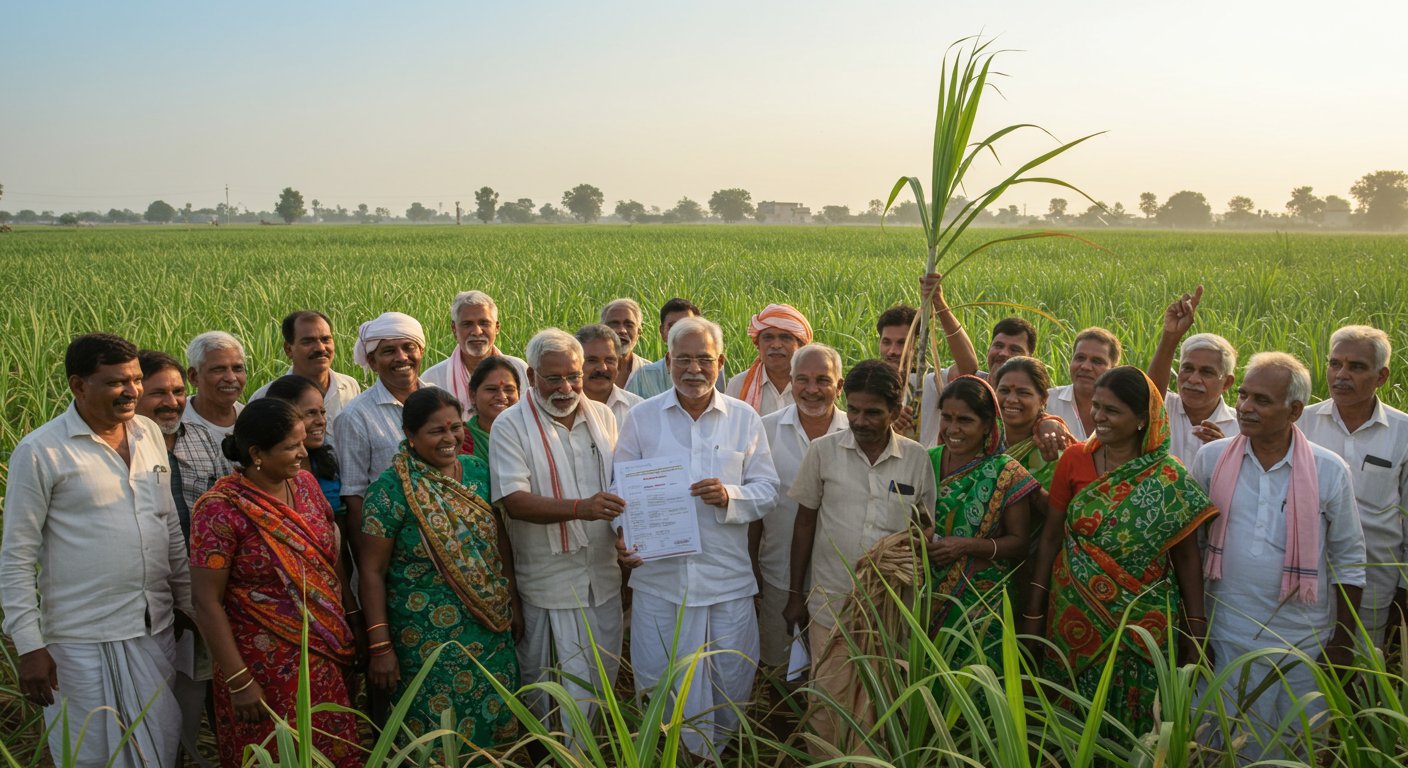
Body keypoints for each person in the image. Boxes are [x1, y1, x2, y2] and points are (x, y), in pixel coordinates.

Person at [1, 332, 192, 768]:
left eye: (136, 380)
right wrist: (29, 645)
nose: (131, 392)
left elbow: (168, 527)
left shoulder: (146, 432)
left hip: (154, 628)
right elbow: (16, 555)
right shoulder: (41, 451)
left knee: (159, 744)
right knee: (90, 752)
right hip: (80, 638)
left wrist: (187, 602)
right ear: (78, 386)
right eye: (115, 382)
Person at [615, 316, 780, 757]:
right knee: (658, 680)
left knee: (729, 679)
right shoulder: (641, 418)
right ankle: (668, 757)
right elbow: (621, 490)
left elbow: (767, 491)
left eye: (704, 359)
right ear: (667, 362)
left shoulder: (744, 420)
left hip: (726, 581)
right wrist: (623, 536)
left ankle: (719, 756)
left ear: (721, 362)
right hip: (660, 582)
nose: (693, 369)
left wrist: (730, 495)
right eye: (683, 359)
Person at [1022, 366, 1215, 737]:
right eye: (1096, 407)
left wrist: (1196, 629)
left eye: (1112, 410)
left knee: (1138, 716)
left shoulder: (1168, 476)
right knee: (1071, 716)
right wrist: (1035, 608)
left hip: (1144, 621)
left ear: (1143, 419)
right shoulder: (1074, 459)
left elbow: (1187, 558)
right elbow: (1050, 538)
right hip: (1072, 614)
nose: (1098, 417)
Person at [1191, 352, 1364, 761]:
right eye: (1245, 396)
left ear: (1295, 410)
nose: (1246, 408)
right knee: (1216, 743)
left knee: (1292, 746)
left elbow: (1349, 560)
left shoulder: (1329, 470)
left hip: (1302, 641)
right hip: (1224, 635)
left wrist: (1341, 644)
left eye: (1262, 400)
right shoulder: (1211, 459)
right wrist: (1195, 631)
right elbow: (1192, 548)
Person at [189, 399, 360, 768]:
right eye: (291, 446)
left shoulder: (307, 486)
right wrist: (238, 680)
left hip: (322, 655)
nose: (303, 452)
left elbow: (328, 560)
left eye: (303, 442)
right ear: (257, 453)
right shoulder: (220, 509)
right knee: (273, 753)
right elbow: (206, 601)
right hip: (260, 668)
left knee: (330, 751)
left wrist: (351, 619)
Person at [782, 359, 937, 752]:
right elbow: (804, 524)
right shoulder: (823, 452)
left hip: (889, 607)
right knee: (827, 701)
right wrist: (795, 596)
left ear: (896, 412)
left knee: (877, 704)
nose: (860, 420)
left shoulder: (917, 459)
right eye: (854, 409)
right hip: (830, 600)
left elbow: (924, 531)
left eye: (873, 412)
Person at [358, 388, 520, 749]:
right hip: (425, 637)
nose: (450, 439)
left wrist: (513, 600)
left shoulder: (478, 471)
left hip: (489, 627)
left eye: (456, 427)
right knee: (437, 731)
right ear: (411, 437)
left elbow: (499, 540)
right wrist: (380, 645)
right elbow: (371, 571)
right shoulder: (390, 491)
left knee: (491, 722)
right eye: (437, 431)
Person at [490, 328, 624, 736]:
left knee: (602, 677)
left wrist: (627, 537)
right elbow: (513, 500)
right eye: (554, 378)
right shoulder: (511, 426)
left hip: (603, 574)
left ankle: (593, 754)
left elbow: (621, 488)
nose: (566, 387)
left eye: (574, 376)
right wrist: (581, 509)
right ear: (531, 377)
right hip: (550, 581)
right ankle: (555, 756)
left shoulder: (602, 416)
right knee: (552, 685)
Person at [135, 349, 227, 768]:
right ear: (135, 393)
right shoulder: (126, 446)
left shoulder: (204, 437)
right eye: (158, 392)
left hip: (199, 587)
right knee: (149, 695)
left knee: (196, 685)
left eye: (177, 391)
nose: (171, 401)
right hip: (145, 592)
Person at [1301, 325, 1408, 650]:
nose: (1341, 375)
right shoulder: (1300, 423)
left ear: (1381, 376)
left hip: (1375, 583)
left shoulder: (1402, 433)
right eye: (1335, 364)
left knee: (1363, 678)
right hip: (1305, 578)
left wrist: (1403, 594)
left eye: (1356, 366)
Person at [925, 376, 1038, 656]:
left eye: (965, 420)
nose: (953, 429)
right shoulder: (926, 460)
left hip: (980, 605)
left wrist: (964, 545)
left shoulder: (1006, 472)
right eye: (947, 418)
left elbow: (1019, 542)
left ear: (987, 425)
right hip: (924, 596)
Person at [753, 343, 848, 672]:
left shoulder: (856, 432)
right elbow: (755, 510)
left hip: (840, 582)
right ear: (790, 381)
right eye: (802, 379)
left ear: (839, 385)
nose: (811, 390)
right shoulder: (764, 429)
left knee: (832, 672)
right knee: (778, 669)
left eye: (823, 380)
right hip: (777, 574)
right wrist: (752, 570)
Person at [333, 311, 429, 553]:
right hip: (392, 545)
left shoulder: (440, 400)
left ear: (421, 352)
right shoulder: (355, 416)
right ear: (373, 362)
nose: (402, 357)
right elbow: (355, 498)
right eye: (388, 351)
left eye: (409, 347)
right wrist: (370, 567)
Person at [1145, 287, 1240, 466]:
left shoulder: (1240, 428)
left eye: (1206, 372)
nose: (1194, 379)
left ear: (1227, 382)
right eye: (1187, 368)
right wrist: (1171, 336)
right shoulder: (1164, 408)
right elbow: (1150, 395)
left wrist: (1223, 454)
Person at [249, 310, 362, 431]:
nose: (320, 348)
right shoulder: (265, 398)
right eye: (308, 341)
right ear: (288, 349)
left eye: (325, 339)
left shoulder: (349, 387)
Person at [422, 290, 528, 411]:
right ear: (454, 328)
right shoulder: (433, 378)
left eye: (484, 323)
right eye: (467, 324)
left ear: (497, 328)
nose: (477, 331)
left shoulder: (519, 369)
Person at [264, 375, 345, 526]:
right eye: (310, 413)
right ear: (283, 415)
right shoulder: (268, 473)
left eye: (322, 412)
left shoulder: (326, 461)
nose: (321, 420)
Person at [625, 297, 725, 398]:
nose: (679, 332)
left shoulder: (713, 369)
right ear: (662, 331)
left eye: (687, 326)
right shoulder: (644, 376)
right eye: (672, 326)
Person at [726, 303, 813, 416]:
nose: (776, 345)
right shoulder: (738, 384)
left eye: (785, 338)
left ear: (800, 345)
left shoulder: (814, 385)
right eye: (768, 338)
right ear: (758, 344)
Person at [992, 356, 1064, 488]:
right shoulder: (981, 440)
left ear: (1043, 399)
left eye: (1023, 393)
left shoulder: (1050, 451)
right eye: (1004, 390)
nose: (1011, 399)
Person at [1044, 327, 1121, 441]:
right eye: (1080, 358)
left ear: (1113, 369)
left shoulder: (1124, 409)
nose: (1085, 366)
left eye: (1096, 361)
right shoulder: (1047, 401)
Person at [183, 330, 247, 440]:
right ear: (194, 376)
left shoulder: (251, 420)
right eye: (218, 369)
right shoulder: (176, 423)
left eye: (237, 369)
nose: (231, 378)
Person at [577, 322, 644, 425]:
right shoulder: (564, 408)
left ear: (619, 364)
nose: (602, 368)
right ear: (575, 364)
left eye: (610, 360)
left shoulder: (638, 408)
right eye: (592, 360)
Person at [463, 356, 521, 463]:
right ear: (472, 395)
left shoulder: (530, 435)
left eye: (509, 389)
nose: (502, 396)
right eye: (491, 389)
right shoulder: (462, 440)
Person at [601, 297, 649, 388]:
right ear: (602, 329)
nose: (622, 330)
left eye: (629, 325)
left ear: (639, 331)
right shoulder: (587, 372)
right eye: (614, 324)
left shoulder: (652, 373)